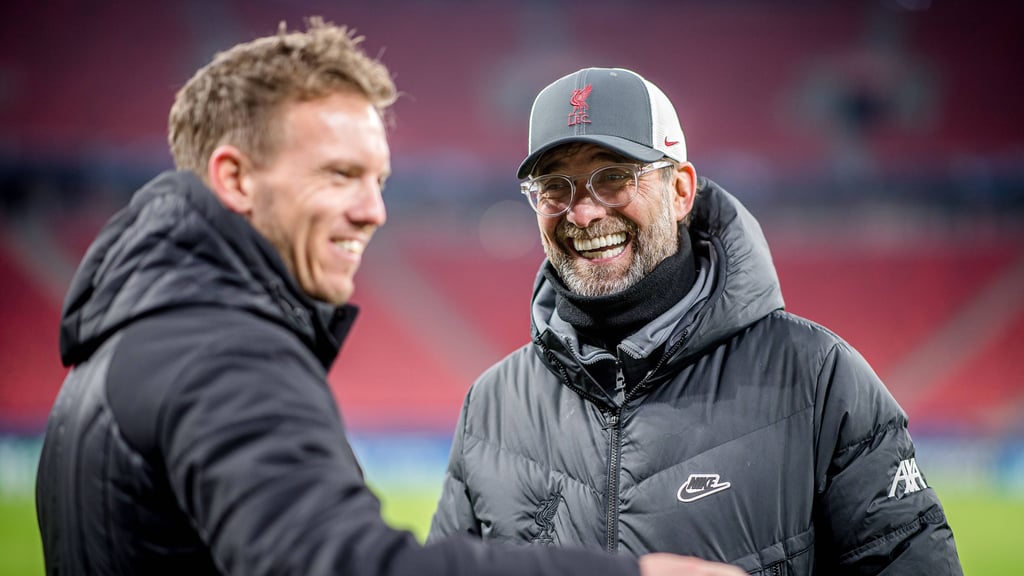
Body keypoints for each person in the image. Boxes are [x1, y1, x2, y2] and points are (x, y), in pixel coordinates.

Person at [34, 23, 745, 576]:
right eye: (341, 174)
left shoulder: (122, 345)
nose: (373, 210)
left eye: (378, 180)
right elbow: (346, 566)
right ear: (236, 179)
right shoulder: (222, 355)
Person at [428, 67, 964, 575]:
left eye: (613, 178)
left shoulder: (818, 378)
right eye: (554, 187)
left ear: (681, 191)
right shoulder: (491, 406)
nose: (584, 213)